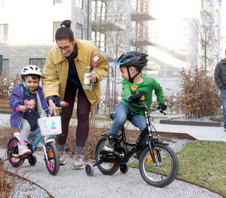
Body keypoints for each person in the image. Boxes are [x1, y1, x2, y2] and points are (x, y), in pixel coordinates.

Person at [42, 20, 108, 170]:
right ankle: (60, 151)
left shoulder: (90, 49)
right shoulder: (53, 53)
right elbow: (49, 77)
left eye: (66, 47)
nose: (63, 52)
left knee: (82, 113)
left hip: (86, 84)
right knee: (64, 114)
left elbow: (103, 66)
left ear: (74, 42)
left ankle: (79, 154)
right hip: (66, 84)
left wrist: (96, 75)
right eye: (60, 48)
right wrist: (51, 97)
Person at [103, 51, 167, 153]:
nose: (121, 75)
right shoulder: (127, 82)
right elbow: (126, 92)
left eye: (122, 72)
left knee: (145, 129)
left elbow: (158, 90)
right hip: (125, 106)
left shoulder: (150, 82)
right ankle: (110, 139)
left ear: (131, 70)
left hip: (138, 113)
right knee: (121, 118)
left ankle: (140, 151)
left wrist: (161, 102)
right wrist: (131, 97)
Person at [9, 65, 49, 155]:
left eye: (35, 82)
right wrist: (18, 106)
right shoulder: (19, 88)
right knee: (26, 126)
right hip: (21, 116)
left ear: (38, 81)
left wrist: (56, 102)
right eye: (29, 82)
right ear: (24, 80)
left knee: (42, 124)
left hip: (34, 115)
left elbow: (45, 99)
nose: (32, 84)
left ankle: (35, 139)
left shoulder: (39, 90)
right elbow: (14, 99)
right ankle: (22, 146)